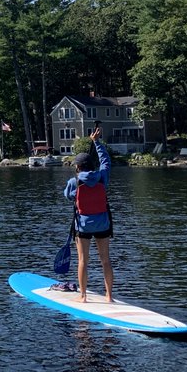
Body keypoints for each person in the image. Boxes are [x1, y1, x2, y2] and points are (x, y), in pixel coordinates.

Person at [64, 126, 113, 303]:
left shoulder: (73, 181)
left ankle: (83, 296)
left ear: (78, 167)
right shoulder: (102, 177)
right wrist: (96, 142)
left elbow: (68, 196)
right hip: (103, 224)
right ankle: (109, 297)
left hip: (83, 225)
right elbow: (106, 161)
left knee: (83, 260)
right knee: (105, 260)